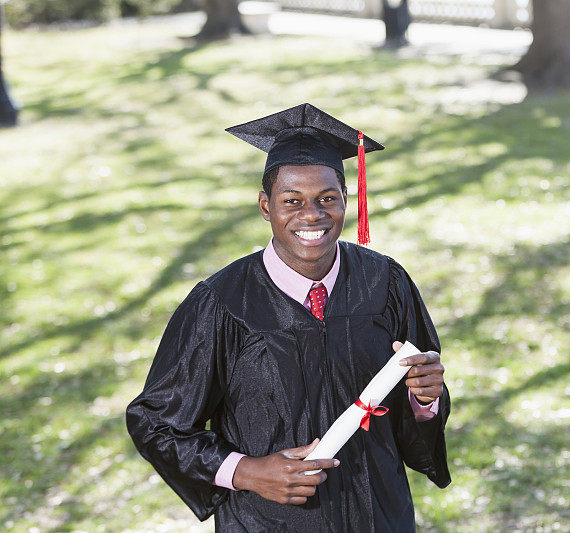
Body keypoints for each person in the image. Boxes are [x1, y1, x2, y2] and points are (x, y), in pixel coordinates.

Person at [126, 103, 451, 532]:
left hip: (379, 514)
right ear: (265, 205)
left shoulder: (385, 282)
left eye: (327, 199)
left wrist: (424, 398)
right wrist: (246, 471)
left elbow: (418, 399)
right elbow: (155, 423)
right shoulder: (222, 302)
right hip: (269, 522)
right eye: (291, 200)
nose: (311, 215)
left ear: (346, 200)